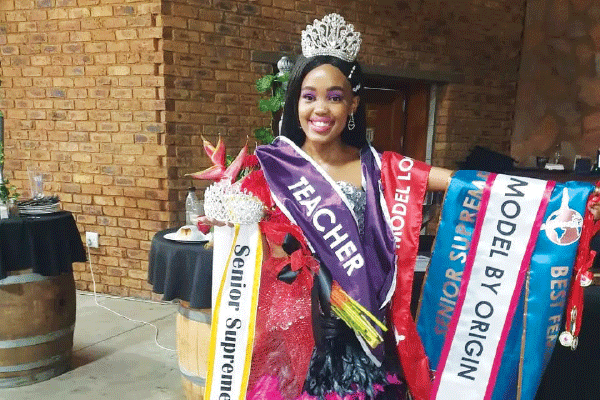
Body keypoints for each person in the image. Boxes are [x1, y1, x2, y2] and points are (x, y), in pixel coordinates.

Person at [199, 13, 453, 400]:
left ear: (352, 105)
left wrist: (532, 195)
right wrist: (225, 215)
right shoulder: (272, 169)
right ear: (295, 103)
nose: (321, 108)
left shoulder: (377, 166)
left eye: (334, 97)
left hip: (363, 333)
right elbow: (245, 245)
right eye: (309, 96)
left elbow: (457, 183)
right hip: (298, 339)